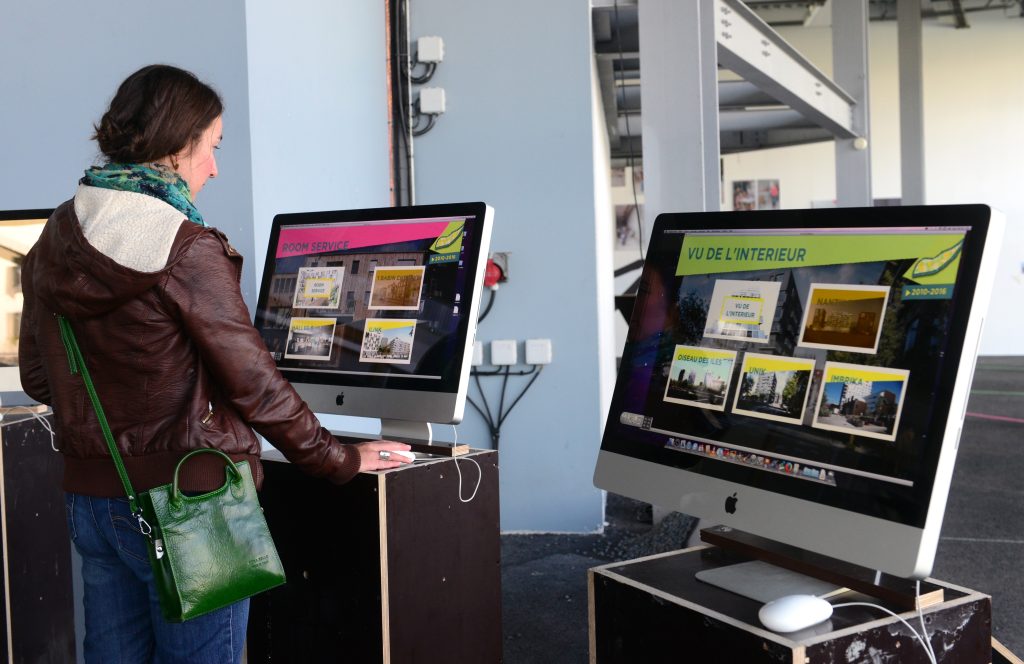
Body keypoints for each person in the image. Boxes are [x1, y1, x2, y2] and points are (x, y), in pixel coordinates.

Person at [17, 64, 413, 664]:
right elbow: (254, 386)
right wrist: (338, 459)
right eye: (212, 147)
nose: (214, 168)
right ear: (178, 147)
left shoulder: (54, 239)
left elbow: (40, 377)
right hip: (191, 502)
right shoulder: (186, 247)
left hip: (93, 501)